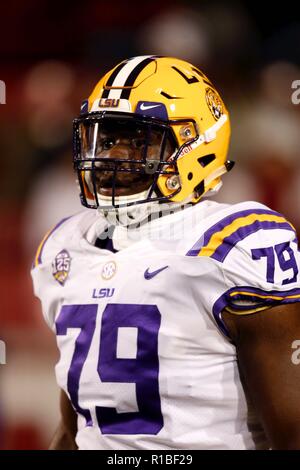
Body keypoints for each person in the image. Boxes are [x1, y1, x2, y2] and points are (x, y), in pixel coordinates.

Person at [31, 56, 300, 450]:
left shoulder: (235, 245)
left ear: (196, 145)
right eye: (105, 139)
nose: (112, 156)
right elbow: (79, 428)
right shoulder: (67, 247)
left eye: (137, 139)